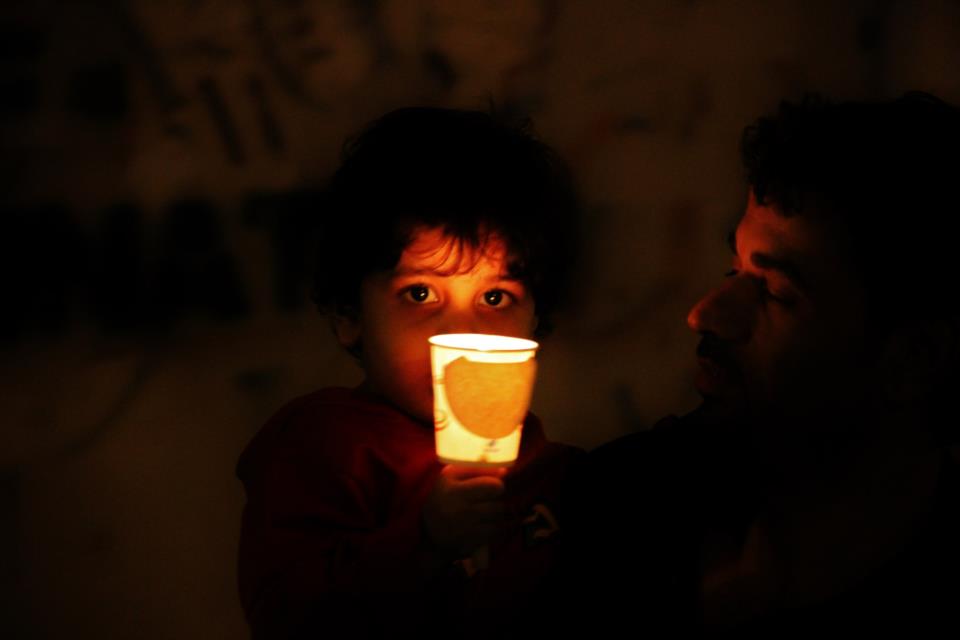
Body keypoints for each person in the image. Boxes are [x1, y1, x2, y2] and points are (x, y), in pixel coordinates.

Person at [560, 92, 960, 635]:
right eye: (735, 270)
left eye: (774, 291)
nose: (704, 314)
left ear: (915, 358)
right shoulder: (616, 509)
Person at [236, 107, 582, 638]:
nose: (464, 332)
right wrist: (424, 542)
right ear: (349, 316)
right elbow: (287, 616)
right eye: (420, 294)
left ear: (535, 320)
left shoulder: (549, 472)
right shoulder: (323, 450)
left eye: (495, 297)